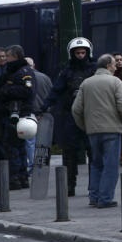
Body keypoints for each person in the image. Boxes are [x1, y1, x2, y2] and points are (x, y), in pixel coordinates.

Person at [71, 54, 122, 208]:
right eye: (114, 64)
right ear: (108, 65)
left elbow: (76, 109)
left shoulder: (86, 83)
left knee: (96, 164)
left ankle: (94, 196)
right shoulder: (116, 82)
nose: (116, 66)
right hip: (112, 129)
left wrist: (85, 125)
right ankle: (105, 198)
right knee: (110, 165)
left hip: (92, 131)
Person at [43, 37, 96, 197]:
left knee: (93, 151)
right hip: (71, 115)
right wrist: (44, 106)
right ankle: (69, 185)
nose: (80, 55)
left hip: (89, 115)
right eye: (78, 52)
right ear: (72, 53)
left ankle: (94, 186)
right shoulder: (66, 71)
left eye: (83, 52)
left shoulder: (94, 69)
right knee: (69, 152)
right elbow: (56, 90)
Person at [0, 45, 36, 190]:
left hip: (17, 114)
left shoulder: (23, 71)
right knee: (19, 147)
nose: (5, 59)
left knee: (12, 147)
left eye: (8, 56)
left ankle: (14, 178)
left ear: (15, 57)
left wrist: (6, 91)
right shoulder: (11, 71)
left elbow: (27, 91)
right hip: (10, 113)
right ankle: (22, 177)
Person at [25, 56, 52, 176]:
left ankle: (32, 166)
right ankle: (42, 165)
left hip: (30, 113)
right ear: (34, 65)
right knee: (43, 142)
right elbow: (51, 94)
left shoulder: (25, 78)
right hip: (45, 113)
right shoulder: (45, 77)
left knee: (30, 141)